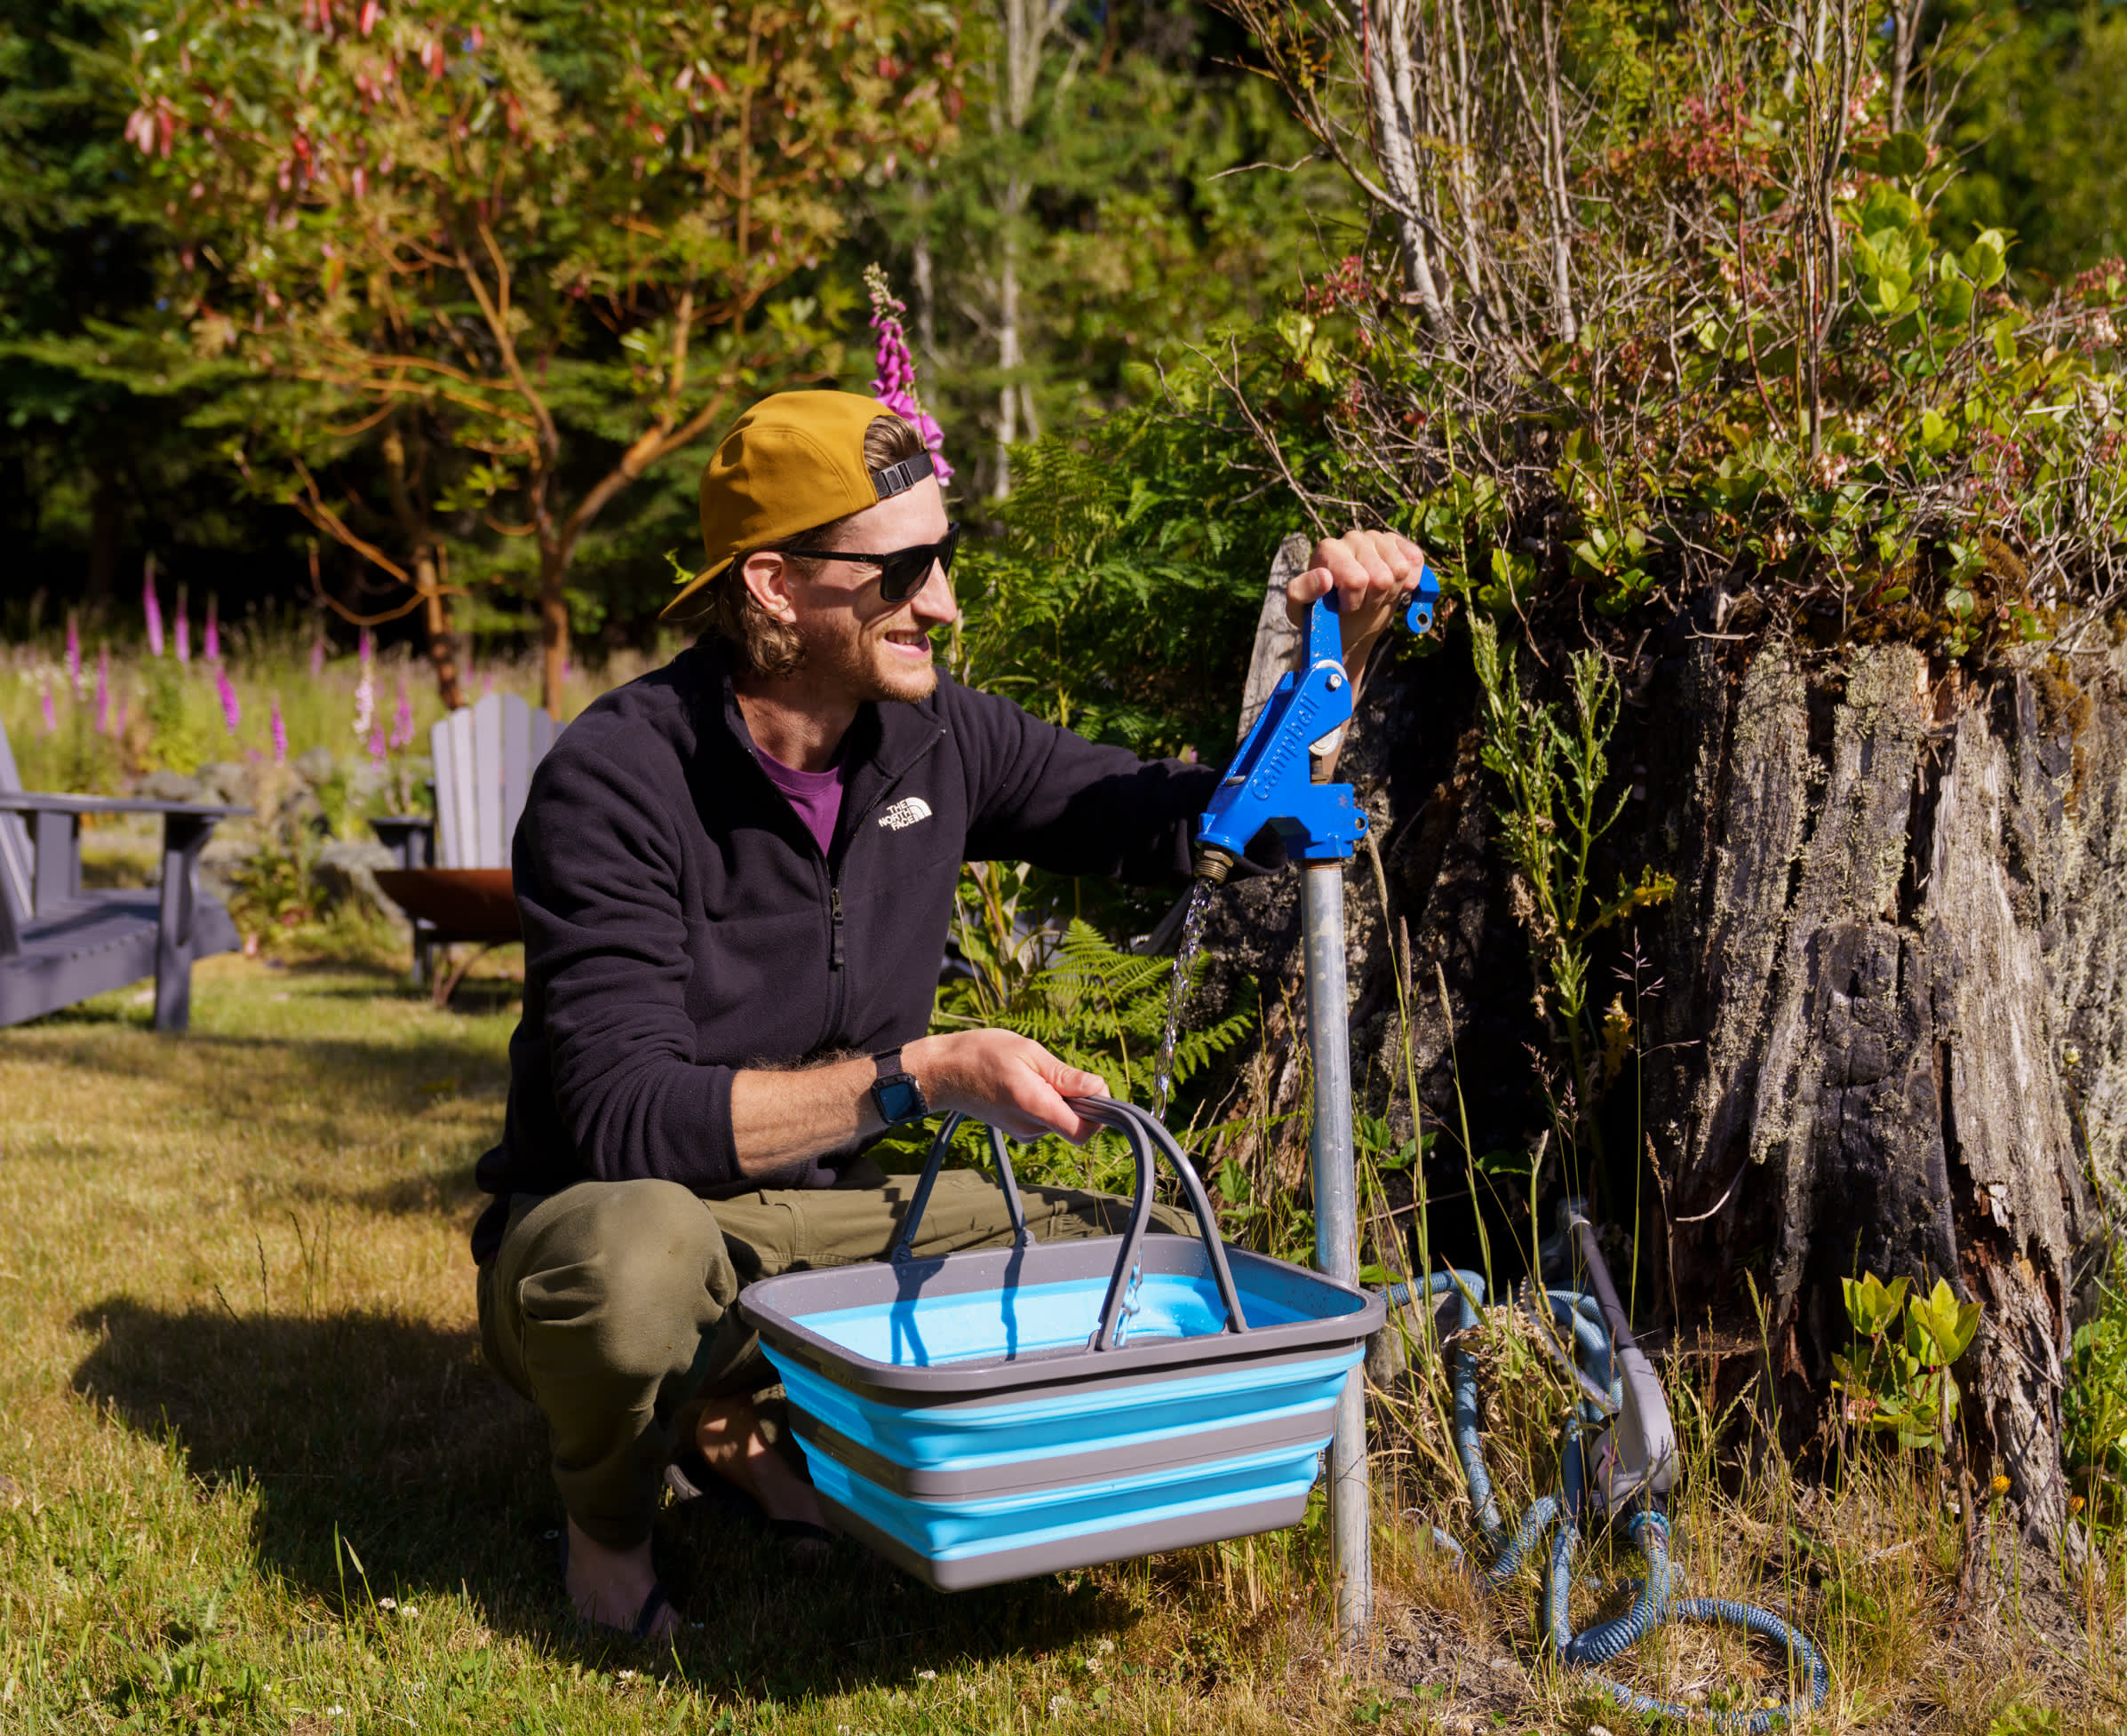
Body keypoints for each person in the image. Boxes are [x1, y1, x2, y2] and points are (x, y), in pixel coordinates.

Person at [471, 389, 1425, 1639]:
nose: (944, 603)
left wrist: (1335, 669)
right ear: (772, 586)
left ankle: (743, 1419)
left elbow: (1183, 820)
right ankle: (608, 1529)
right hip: (615, 1221)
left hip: (832, 1217)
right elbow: (626, 1118)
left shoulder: (933, 740)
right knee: (636, 1269)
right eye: (901, 571)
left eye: (945, 556)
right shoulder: (619, 778)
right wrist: (919, 1075)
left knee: (1136, 1254)